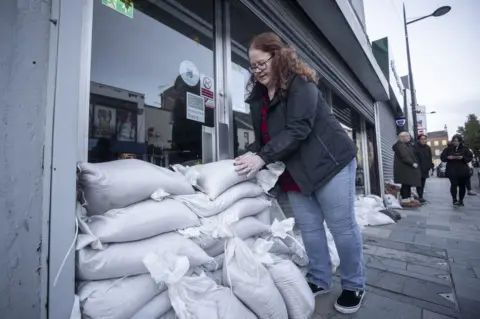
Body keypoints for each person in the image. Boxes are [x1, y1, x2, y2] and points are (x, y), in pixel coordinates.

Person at [234, 32, 365, 314]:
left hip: (330, 163)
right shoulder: (258, 98)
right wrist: (251, 154)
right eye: (252, 67)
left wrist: (262, 157)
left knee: (341, 226)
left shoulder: (300, 84)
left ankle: (354, 284)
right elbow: (263, 139)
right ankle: (320, 279)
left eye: (261, 64)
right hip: (295, 170)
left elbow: (299, 128)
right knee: (309, 229)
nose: (256, 71)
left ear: (278, 56)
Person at [441, 135, 474, 206]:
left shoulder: (465, 149)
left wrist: (463, 157)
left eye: (457, 141)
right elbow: (442, 158)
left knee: (462, 186)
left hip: (462, 170)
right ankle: (454, 199)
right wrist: (448, 157)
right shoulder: (448, 149)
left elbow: (470, 157)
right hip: (452, 170)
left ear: (460, 141)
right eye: (454, 141)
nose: (455, 142)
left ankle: (461, 200)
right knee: (454, 184)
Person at [392, 132, 422, 208]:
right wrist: (412, 163)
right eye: (407, 136)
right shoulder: (400, 145)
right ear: (402, 137)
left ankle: (407, 198)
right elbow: (404, 156)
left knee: (407, 184)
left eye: (409, 136)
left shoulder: (406, 145)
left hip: (406, 168)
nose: (409, 137)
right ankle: (405, 199)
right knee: (406, 183)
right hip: (404, 168)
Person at [414, 135, 434, 202]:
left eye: (424, 139)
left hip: (425, 168)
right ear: (419, 140)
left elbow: (430, 158)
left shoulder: (428, 147)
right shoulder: (415, 147)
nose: (423, 140)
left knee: (423, 183)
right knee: (418, 183)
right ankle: (420, 196)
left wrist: (430, 166)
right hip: (418, 168)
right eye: (421, 139)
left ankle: (420, 196)